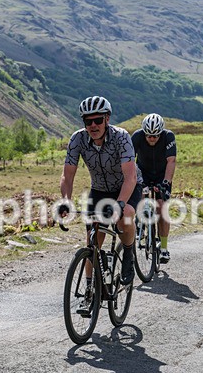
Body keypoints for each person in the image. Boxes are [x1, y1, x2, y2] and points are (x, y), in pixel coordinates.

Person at [59, 95, 142, 314]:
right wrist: (66, 200)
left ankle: (128, 253)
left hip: (128, 185)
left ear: (107, 118)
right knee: (92, 240)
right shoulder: (77, 140)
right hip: (100, 189)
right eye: (88, 121)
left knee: (126, 214)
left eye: (97, 120)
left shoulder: (121, 137)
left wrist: (120, 203)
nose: (93, 125)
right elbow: (67, 176)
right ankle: (89, 293)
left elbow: (130, 178)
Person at [131, 113, 176, 263]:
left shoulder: (168, 137)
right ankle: (140, 224)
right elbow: (129, 160)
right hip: (142, 172)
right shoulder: (137, 136)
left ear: (160, 133)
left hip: (161, 175)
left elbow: (171, 161)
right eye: (148, 136)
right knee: (140, 197)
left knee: (161, 207)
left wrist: (166, 182)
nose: (151, 139)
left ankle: (163, 248)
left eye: (155, 136)